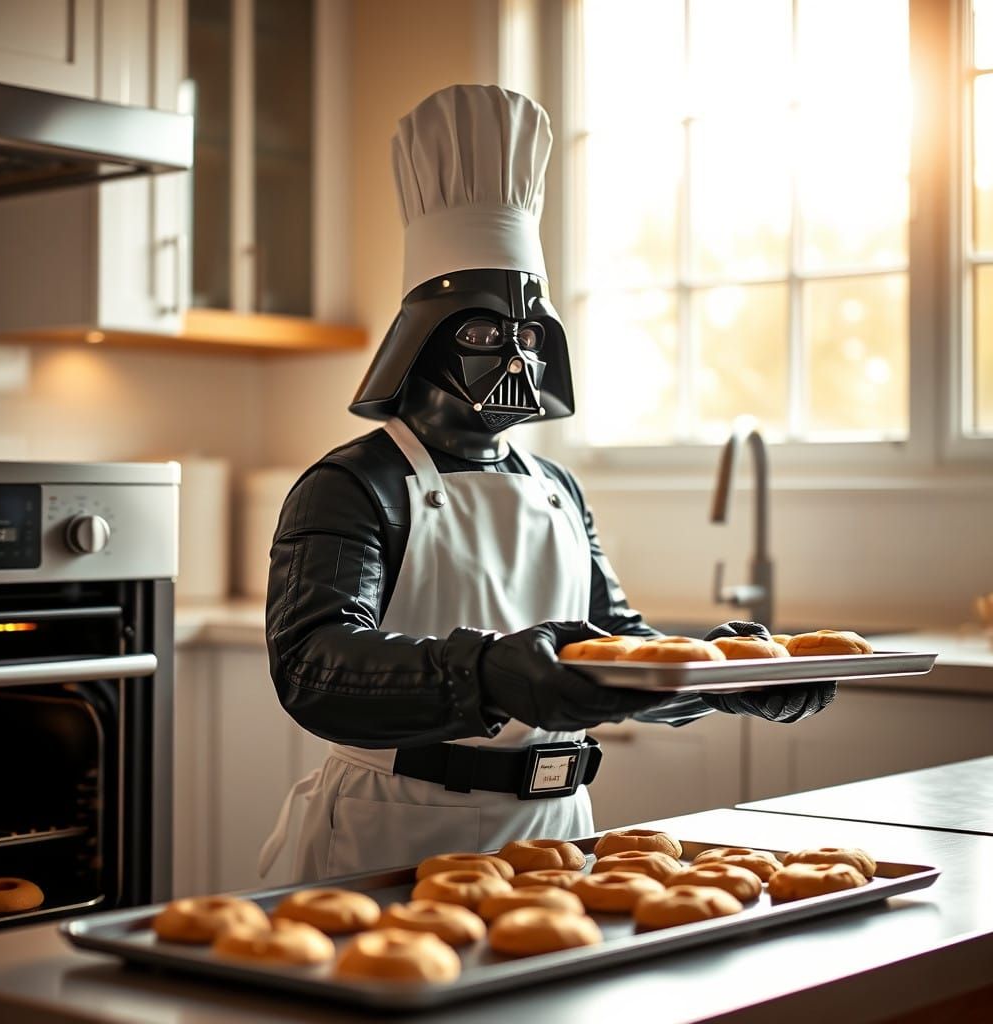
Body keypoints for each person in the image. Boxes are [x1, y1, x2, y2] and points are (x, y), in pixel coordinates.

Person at [258, 84, 834, 882]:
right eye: (487, 331)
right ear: (420, 340)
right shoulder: (355, 484)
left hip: (561, 832)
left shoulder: (556, 487)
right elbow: (314, 665)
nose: (517, 359)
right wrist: (487, 675)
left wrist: (716, 675)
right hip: (396, 825)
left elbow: (615, 654)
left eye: (530, 334)